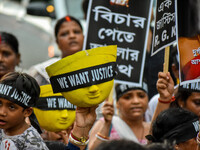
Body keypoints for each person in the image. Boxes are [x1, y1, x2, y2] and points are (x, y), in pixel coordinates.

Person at [89, 82, 150, 150]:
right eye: (127, 97)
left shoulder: (152, 129)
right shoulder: (104, 124)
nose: (136, 101)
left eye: (141, 96)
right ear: (117, 103)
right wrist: (107, 124)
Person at [28, 15, 84, 85]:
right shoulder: (43, 72)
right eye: (64, 34)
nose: (72, 36)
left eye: (76, 32)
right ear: (57, 42)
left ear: (84, 37)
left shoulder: (95, 67)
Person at [0, 72, 49, 149]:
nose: (2, 112)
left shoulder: (32, 144)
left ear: (27, 112)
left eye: (12, 107)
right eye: (0, 103)